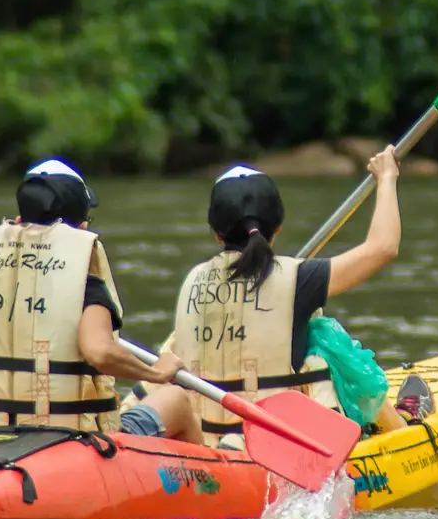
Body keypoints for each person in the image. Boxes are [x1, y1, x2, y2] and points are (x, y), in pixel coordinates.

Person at [0, 159, 200, 442]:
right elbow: (100, 353)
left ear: (18, 224)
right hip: (69, 440)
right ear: (82, 228)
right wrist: (156, 372)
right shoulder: (85, 287)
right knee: (176, 398)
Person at [170, 148, 416, 447]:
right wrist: (387, 178)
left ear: (217, 234)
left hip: (205, 442)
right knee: (321, 341)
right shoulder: (298, 279)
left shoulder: (192, 281)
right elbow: (383, 248)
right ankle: (400, 427)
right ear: (277, 228)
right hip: (277, 450)